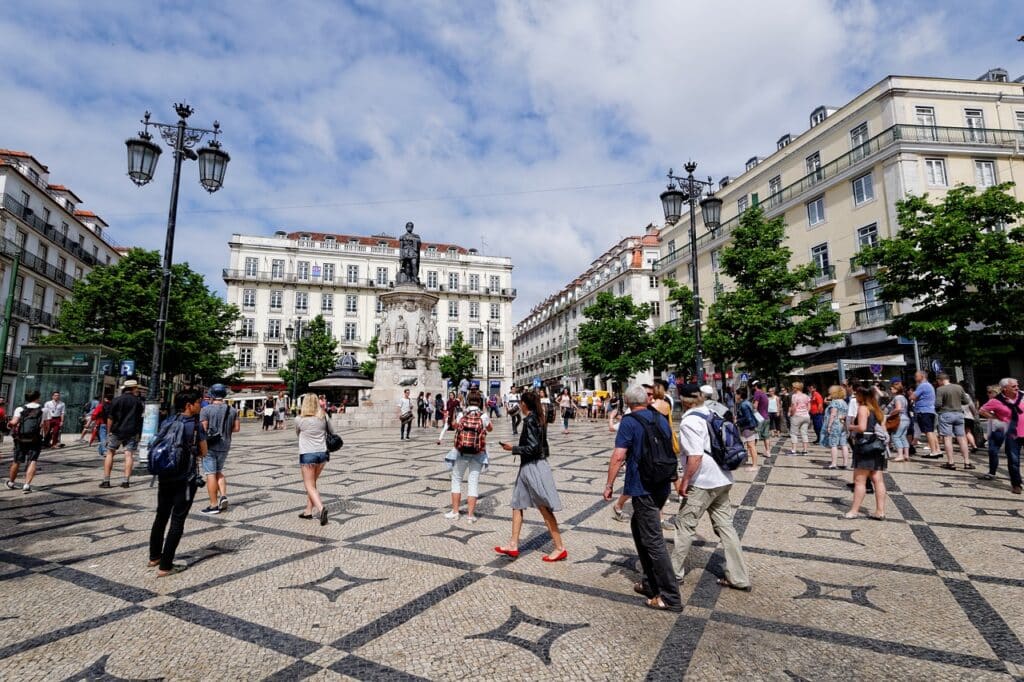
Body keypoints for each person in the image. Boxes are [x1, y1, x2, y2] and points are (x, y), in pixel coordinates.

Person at [604, 385, 681, 612]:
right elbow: (670, 448)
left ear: (627, 402)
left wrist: (609, 484)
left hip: (643, 485)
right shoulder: (659, 417)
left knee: (654, 541)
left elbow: (618, 456)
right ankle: (650, 583)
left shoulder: (629, 422)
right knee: (639, 527)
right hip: (662, 483)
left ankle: (670, 596)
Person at [672, 383, 751, 591]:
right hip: (723, 478)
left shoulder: (689, 421)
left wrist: (685, 481)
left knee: (685, 526)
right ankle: (739, 577)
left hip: (703, 481)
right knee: (726, 528)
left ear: (683, 399)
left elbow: (695, 456)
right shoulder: (711, 412)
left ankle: (673, 573)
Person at [495, 389, 567, 562]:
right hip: (528, 466)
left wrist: (512, 449)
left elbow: (534, 448)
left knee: (543, 507)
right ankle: (513, 544)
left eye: (520, 402)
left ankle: (559, 548)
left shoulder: (531, 420)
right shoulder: (538, 418)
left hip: (534, 466)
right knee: (517, 503)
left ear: (524, 404)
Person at [148, 389, 207, 576]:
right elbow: (204, 452)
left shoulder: (168, 421)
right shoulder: (196, 426)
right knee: (178, 519)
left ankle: (154, 556)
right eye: (198, 402)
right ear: (189, 405)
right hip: (185, 478)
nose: (201, 404)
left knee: (161, 515)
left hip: (165, 475)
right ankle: (166, 566)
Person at [441, 390, 491, 522]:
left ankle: (455, 512)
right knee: (473, 482)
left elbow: (454, 426)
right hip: (478, 453)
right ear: (480, 402)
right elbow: (490, 428)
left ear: (467, 401)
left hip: (461, 451)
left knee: (456, 479)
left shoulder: (462, 413)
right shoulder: (483, 416)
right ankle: (470, 516)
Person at [844, 386, 888, 520]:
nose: (855, 397)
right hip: (877, 445)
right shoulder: (877, 410)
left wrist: (849, 426)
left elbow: (862, 427)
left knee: (859, 480)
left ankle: (854, 511)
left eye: (856, 394)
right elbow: (883, 428)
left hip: (865, 445)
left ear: (862, 396)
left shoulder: (863, 408)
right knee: (878, 480)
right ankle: (880, 511)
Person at [198, 384, 240, 515]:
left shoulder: (206, 409)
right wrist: (225, 430)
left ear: (211, 394)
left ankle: (213, 505)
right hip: (225, 445)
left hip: (210, 446)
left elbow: (203, 429)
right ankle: (223, 495)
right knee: (218, 471)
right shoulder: (232, 410)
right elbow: (237, 428)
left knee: (210, 474)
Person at [978, 378, 1022, 495]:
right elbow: (982, 410)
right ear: (1004, 389)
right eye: (1013, 386)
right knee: (1013, 458)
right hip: (1012, 433)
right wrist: (995, 418)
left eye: (1017, 385)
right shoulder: (996, 401)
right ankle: (1016, 484)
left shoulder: (1022, 396)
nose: (1017, 388)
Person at [295, 393, 333, 524]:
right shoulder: (324, 417)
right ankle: (308, 511)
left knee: (308, 485)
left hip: (307, 454)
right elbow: (332, 431)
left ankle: (321, 509)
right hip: (322, 454)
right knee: (313, 484)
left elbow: (297, 433)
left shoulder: (299, 419)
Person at [102, 379, 144, 489]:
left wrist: (109, 432)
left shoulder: (116, 400)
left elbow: (110, 418)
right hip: (131, 431)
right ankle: (126, 481)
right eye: (136, 388)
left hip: (116, 431)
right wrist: (139, 433)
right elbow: (140, 418)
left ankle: (106, 481)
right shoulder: (138, 402)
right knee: (129, 455)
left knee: (110, 453)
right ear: (133, 388)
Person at [5, 390, 43, 493]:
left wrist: (9, 424)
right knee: (33, 460)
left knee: (16, 461)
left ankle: (11, 482)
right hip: (35, 439)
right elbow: (45, 426)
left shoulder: (20, 409)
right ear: (37, 397)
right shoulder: (43, 409)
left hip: (21, 439)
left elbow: (14, 422)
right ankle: (26, 485)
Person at [935, 373, 973, 471]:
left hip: (946, 414)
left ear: (940, 380)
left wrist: (938, 409)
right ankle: (967, 462)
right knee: (962, 438)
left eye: (938, 381)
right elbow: (966, 401)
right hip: (959, 414)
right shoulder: (959, 387)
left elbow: (938, 404)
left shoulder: (940, 389)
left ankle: (951, 462)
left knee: (947, 438)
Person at [910, 370, 940, 457]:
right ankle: (937, 450)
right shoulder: (929, 385)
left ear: (922, 377)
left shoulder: (922, 386)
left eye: (916, 376)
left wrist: (911, 394)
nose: (915, 378)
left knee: (928, 431)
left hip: (923, 411)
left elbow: (912, 397)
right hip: (930, 410)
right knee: (931, 431)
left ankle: (933, 451)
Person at [821, 385, 850, 469]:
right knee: (844, 444)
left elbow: (833, 414)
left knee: (833, 444)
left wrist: (829, 426)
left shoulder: (835, 402)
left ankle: (834, 463)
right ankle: (845, 463)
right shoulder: (844, 402)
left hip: (835, 424)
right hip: (843, 424)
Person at [735, 387, 759, 470]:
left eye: (737, 394)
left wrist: (737, 420)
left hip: (747, 427)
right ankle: (748, 461)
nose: (735, 396)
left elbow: (748, 418)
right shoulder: (747, 403)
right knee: (749, 445)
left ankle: (754, 466)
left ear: (740, 395)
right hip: (750, 426)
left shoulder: (744, 405)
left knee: (751, 445)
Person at [888, 381, 912, 462]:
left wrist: (891, 414)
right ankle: (906, 454)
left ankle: (900, 455)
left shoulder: (897, 398)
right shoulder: (904, 397)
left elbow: (898, 408)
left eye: (892, 388)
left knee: (896, 436)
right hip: (906, 419)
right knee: (902, 437)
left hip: (899, 419)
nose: (890, 389)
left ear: (896, 389)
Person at [787, 382, 811, 455]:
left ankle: (794, 450)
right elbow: (809, 406)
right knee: (804, 433)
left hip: (797, 416)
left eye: (793, 387)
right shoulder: (806, 396)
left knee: (794, 433)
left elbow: (794, 407)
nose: (792, 389)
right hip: (806, 416)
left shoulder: (794, 396)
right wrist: (806, 412)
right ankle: (805, 450)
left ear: (796, 388)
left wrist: (791, 414)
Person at [750, 380, 771, 461]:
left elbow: (755, 406)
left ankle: (751, 451)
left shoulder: (757, 393)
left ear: (755, 386)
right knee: (766, 436)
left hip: (759, 418)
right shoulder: (763, 393)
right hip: (766, 417)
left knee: (755, 434)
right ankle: (768, 452)